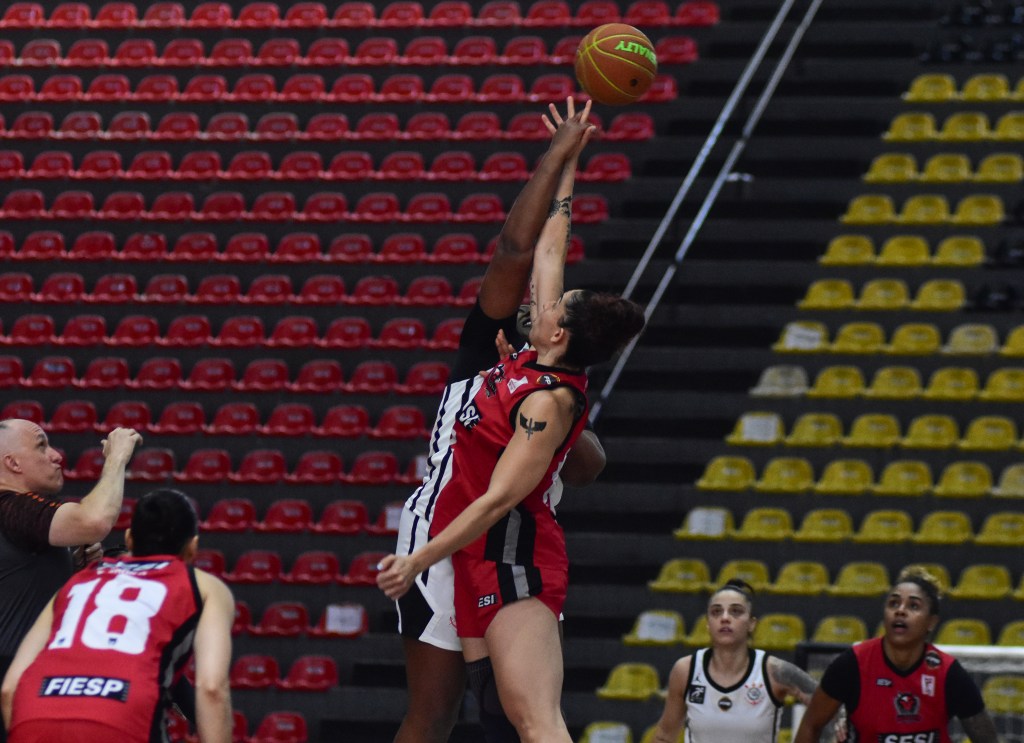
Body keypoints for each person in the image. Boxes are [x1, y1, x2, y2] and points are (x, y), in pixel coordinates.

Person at [378, 97, 647, 743]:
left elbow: (576, 467)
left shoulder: (550, 394)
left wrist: (553, 425)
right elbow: (541, 247)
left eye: (552, 305)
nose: (538, 299)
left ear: (559, 330)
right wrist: (566, 162)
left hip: (506, 538)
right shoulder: (510, 352)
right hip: (448, 528)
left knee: (524, 713)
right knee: (449, 711)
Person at [2, 487, 234, 743]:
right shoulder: (202, 585)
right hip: (120, 715)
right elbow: (212, 688)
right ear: (192, 548)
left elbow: (10, 688)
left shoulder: (78, 582)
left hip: (36, 714)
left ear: (129, 539)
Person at [0, 420, 142, 713]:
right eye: (41, 446)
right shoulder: (10, 507)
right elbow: (93, 521)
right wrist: (116, 459)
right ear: (13, 463)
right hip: (14, 680)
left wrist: (70, 568)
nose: (56, 456)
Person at [795, 565, 1001, 743]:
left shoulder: (948, 673)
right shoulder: (853, 664)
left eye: (913, 606)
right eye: (893, 603)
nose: (900, 611)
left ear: (931, 622)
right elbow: (811, 725)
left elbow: (987, 739)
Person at [651, 579, 826, 743]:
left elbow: (828, 703)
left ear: (751, 624)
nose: (725, 618)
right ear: (708, 623)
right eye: (716, 612)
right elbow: (665, 736)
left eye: (736, 611)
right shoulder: (685, 670)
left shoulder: (774, 670)